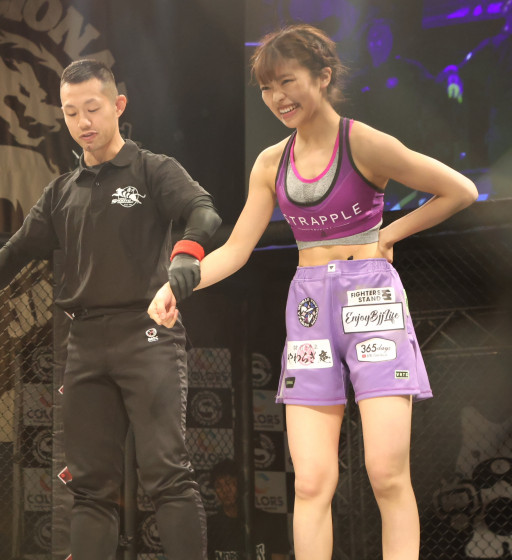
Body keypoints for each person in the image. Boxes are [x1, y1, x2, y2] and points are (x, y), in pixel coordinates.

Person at [148, 24, 477, 560]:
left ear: (323, 77)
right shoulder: (270, 163)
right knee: (310, 481)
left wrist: (387, 235)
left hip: (372, 299)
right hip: (309, 308)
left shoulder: (362, 142)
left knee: (386, 473)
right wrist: (178, 285)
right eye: (266, 87)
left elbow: (459, 190)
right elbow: (236, 249)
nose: (277, 97)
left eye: (287, 81)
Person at [0, 58, 221, 559]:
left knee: (166, 474)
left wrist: (186, 257)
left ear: (118, 105)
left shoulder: (153, 169)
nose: (83, 122)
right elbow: (16, 248)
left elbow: (202, 211)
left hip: (148, 334)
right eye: (71, 112)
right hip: (86, 343)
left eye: (92, 108)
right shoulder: (61, 192)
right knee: (91, 487)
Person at [207, 459, 289, 560]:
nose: (225, 490)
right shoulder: (210, 527)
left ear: (240, 484)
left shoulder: (269, 522)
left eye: (229, 483)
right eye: (218, 486)